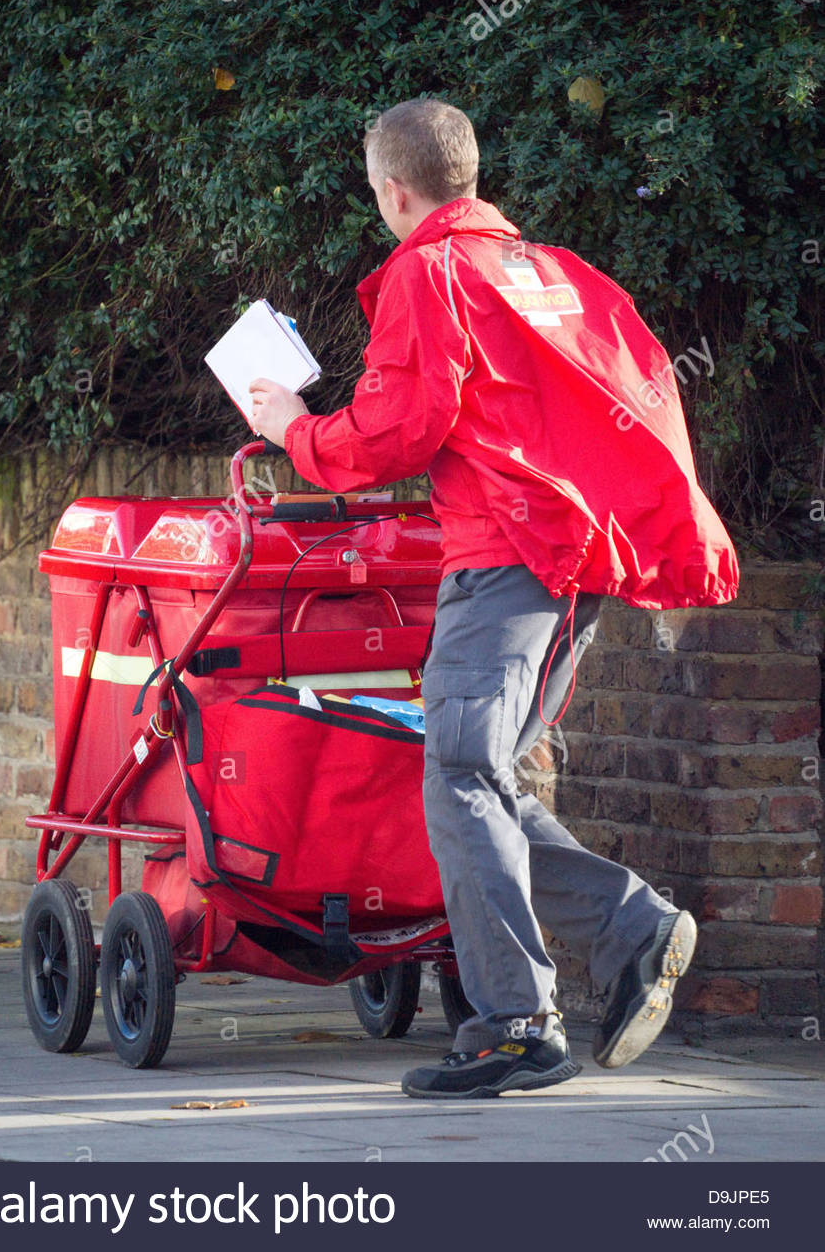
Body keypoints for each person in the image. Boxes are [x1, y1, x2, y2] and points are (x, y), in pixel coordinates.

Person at [249, 97, 733, 1100]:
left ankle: (516, 1023)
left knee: (459, 774)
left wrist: (294, 428)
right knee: (484, 778)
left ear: (393, 190)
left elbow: (397, 431)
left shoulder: (431, 270)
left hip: (506, 560)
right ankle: (631, 927)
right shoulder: (552, 273)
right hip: (569, 561)